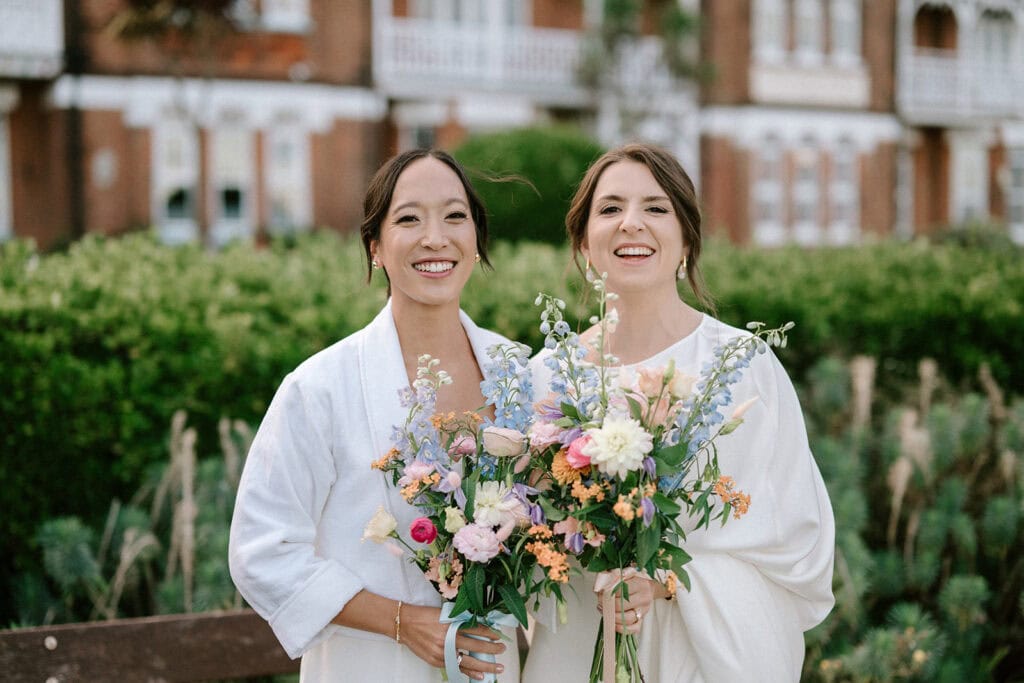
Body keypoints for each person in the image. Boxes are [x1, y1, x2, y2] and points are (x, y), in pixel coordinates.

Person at [521, 144, 835, 682]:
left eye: (655, 208)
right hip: (579, 652)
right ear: (583, 242)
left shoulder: (742, 368)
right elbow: (527, 540)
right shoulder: (548, 377)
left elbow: (796, 545)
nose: (632, 224)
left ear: (687, 238)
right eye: (611, 208)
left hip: (700, 659)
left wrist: (664, 578)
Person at [229, 149, 518, 682]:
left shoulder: (522, 373)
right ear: (376, 247)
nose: (436, 237)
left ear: (476, 240)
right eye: (409, 218)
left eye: (455, 216)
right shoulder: (318, 389)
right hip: (372, 666)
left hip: (501, 666)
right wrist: (403, 622)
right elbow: (261, 551)